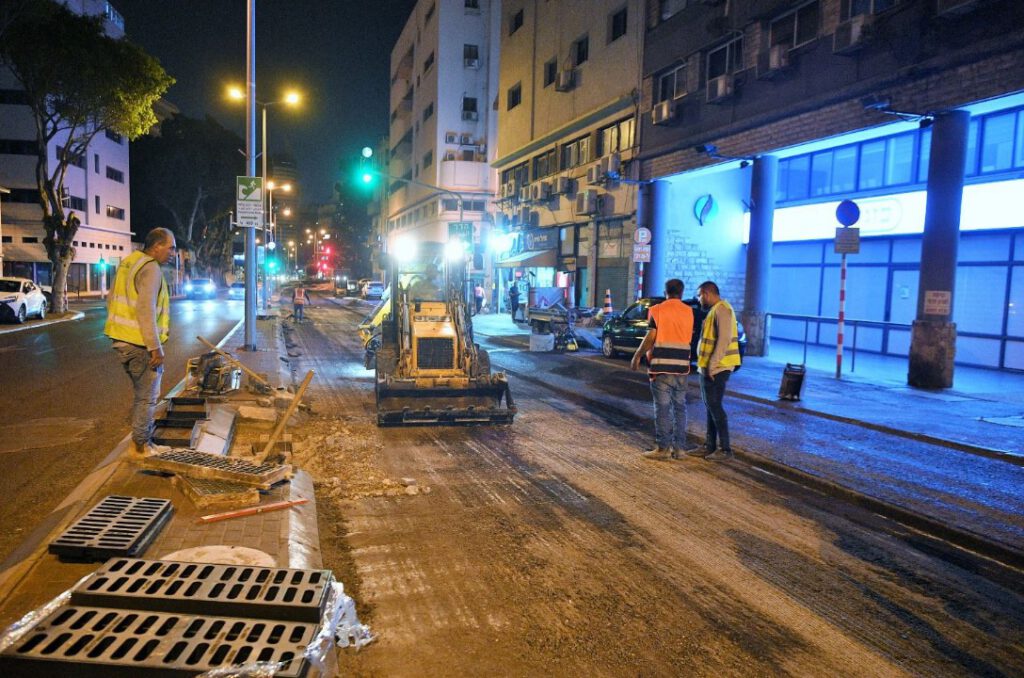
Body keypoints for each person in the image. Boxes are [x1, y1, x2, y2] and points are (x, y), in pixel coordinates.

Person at [104, 227, 176, 457]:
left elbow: (111, 298)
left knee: (141, 395)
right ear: (156, 247)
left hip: (121, 340)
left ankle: (144, 442)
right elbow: (145, 309)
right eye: (170, 247)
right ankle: (141, 446)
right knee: (147, 397)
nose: (173, 252)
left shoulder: (129, 262)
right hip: (140, 345)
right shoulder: (151, 268)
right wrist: (155, 347)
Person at [630, 279, 695, 461]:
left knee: (663, 408)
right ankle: (680, 450)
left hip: (661, 367)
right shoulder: (689, 312)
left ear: (665, 291)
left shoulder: (657, 310)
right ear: (681, 293)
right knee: (680, 408)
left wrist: (637, 355)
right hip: (682, 367)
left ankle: (663, 449)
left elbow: (651, 336)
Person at [695, 280, 742, 461]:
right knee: (710, 406)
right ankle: (710, 445)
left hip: (717, 368)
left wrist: (711, 366)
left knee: (715, 406)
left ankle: (725, 449)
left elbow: (723, 340)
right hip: (710, 367)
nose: (699, 299)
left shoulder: (722, 310)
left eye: (700, 295)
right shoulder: (716, 310)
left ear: (707, 293)